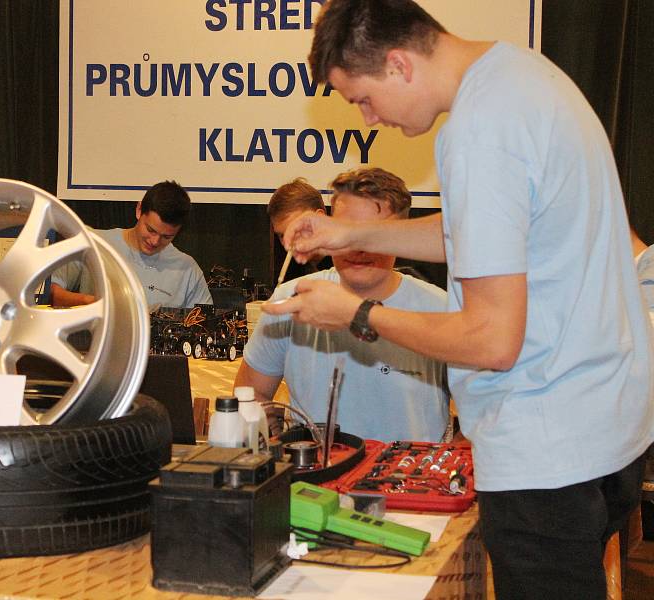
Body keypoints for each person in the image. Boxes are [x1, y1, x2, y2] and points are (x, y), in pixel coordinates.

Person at [265, 2, 654, 598]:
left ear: (398, 64)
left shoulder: (479, 128)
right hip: (604, 425)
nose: (369, 117)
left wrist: (357, 314)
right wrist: (352, 233)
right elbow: (482, 229)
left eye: (363, 98)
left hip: (546, 446)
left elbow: (492, 341)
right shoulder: (523, 77)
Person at [236, 167, 449, 443]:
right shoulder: (292, 300)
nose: (359, 248)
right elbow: (249, 394)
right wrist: (271, 440)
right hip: (313, 481)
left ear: (402, 235)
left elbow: (484, 415)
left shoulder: (441, 308)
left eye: (373, 234)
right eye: (349, 232)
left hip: (410, 482)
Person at [50, 180, 212, 310]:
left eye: (167, 237)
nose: (154, 241)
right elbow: (49, 291)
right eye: (150, 230)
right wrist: (89, 302)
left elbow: (204, 324)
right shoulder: (95, 243)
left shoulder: (187, 270)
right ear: (139, 210)